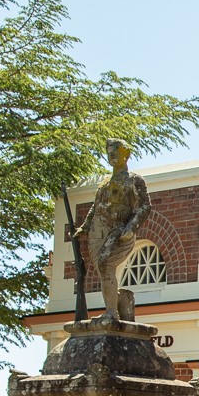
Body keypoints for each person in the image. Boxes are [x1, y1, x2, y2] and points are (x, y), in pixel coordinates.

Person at [70, 138, 151, 324]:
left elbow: (145, 206)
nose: (112, 155)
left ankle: (112, 313)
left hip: (119, 232)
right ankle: (119, 301)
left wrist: (131, 227)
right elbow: (96, 206)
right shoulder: (105, 183)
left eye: (116, 151)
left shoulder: (134, 180)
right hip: (98, 233)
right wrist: (85, 227)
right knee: (102, 269)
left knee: (106, 264)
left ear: (127, 153)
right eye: (109, 152)